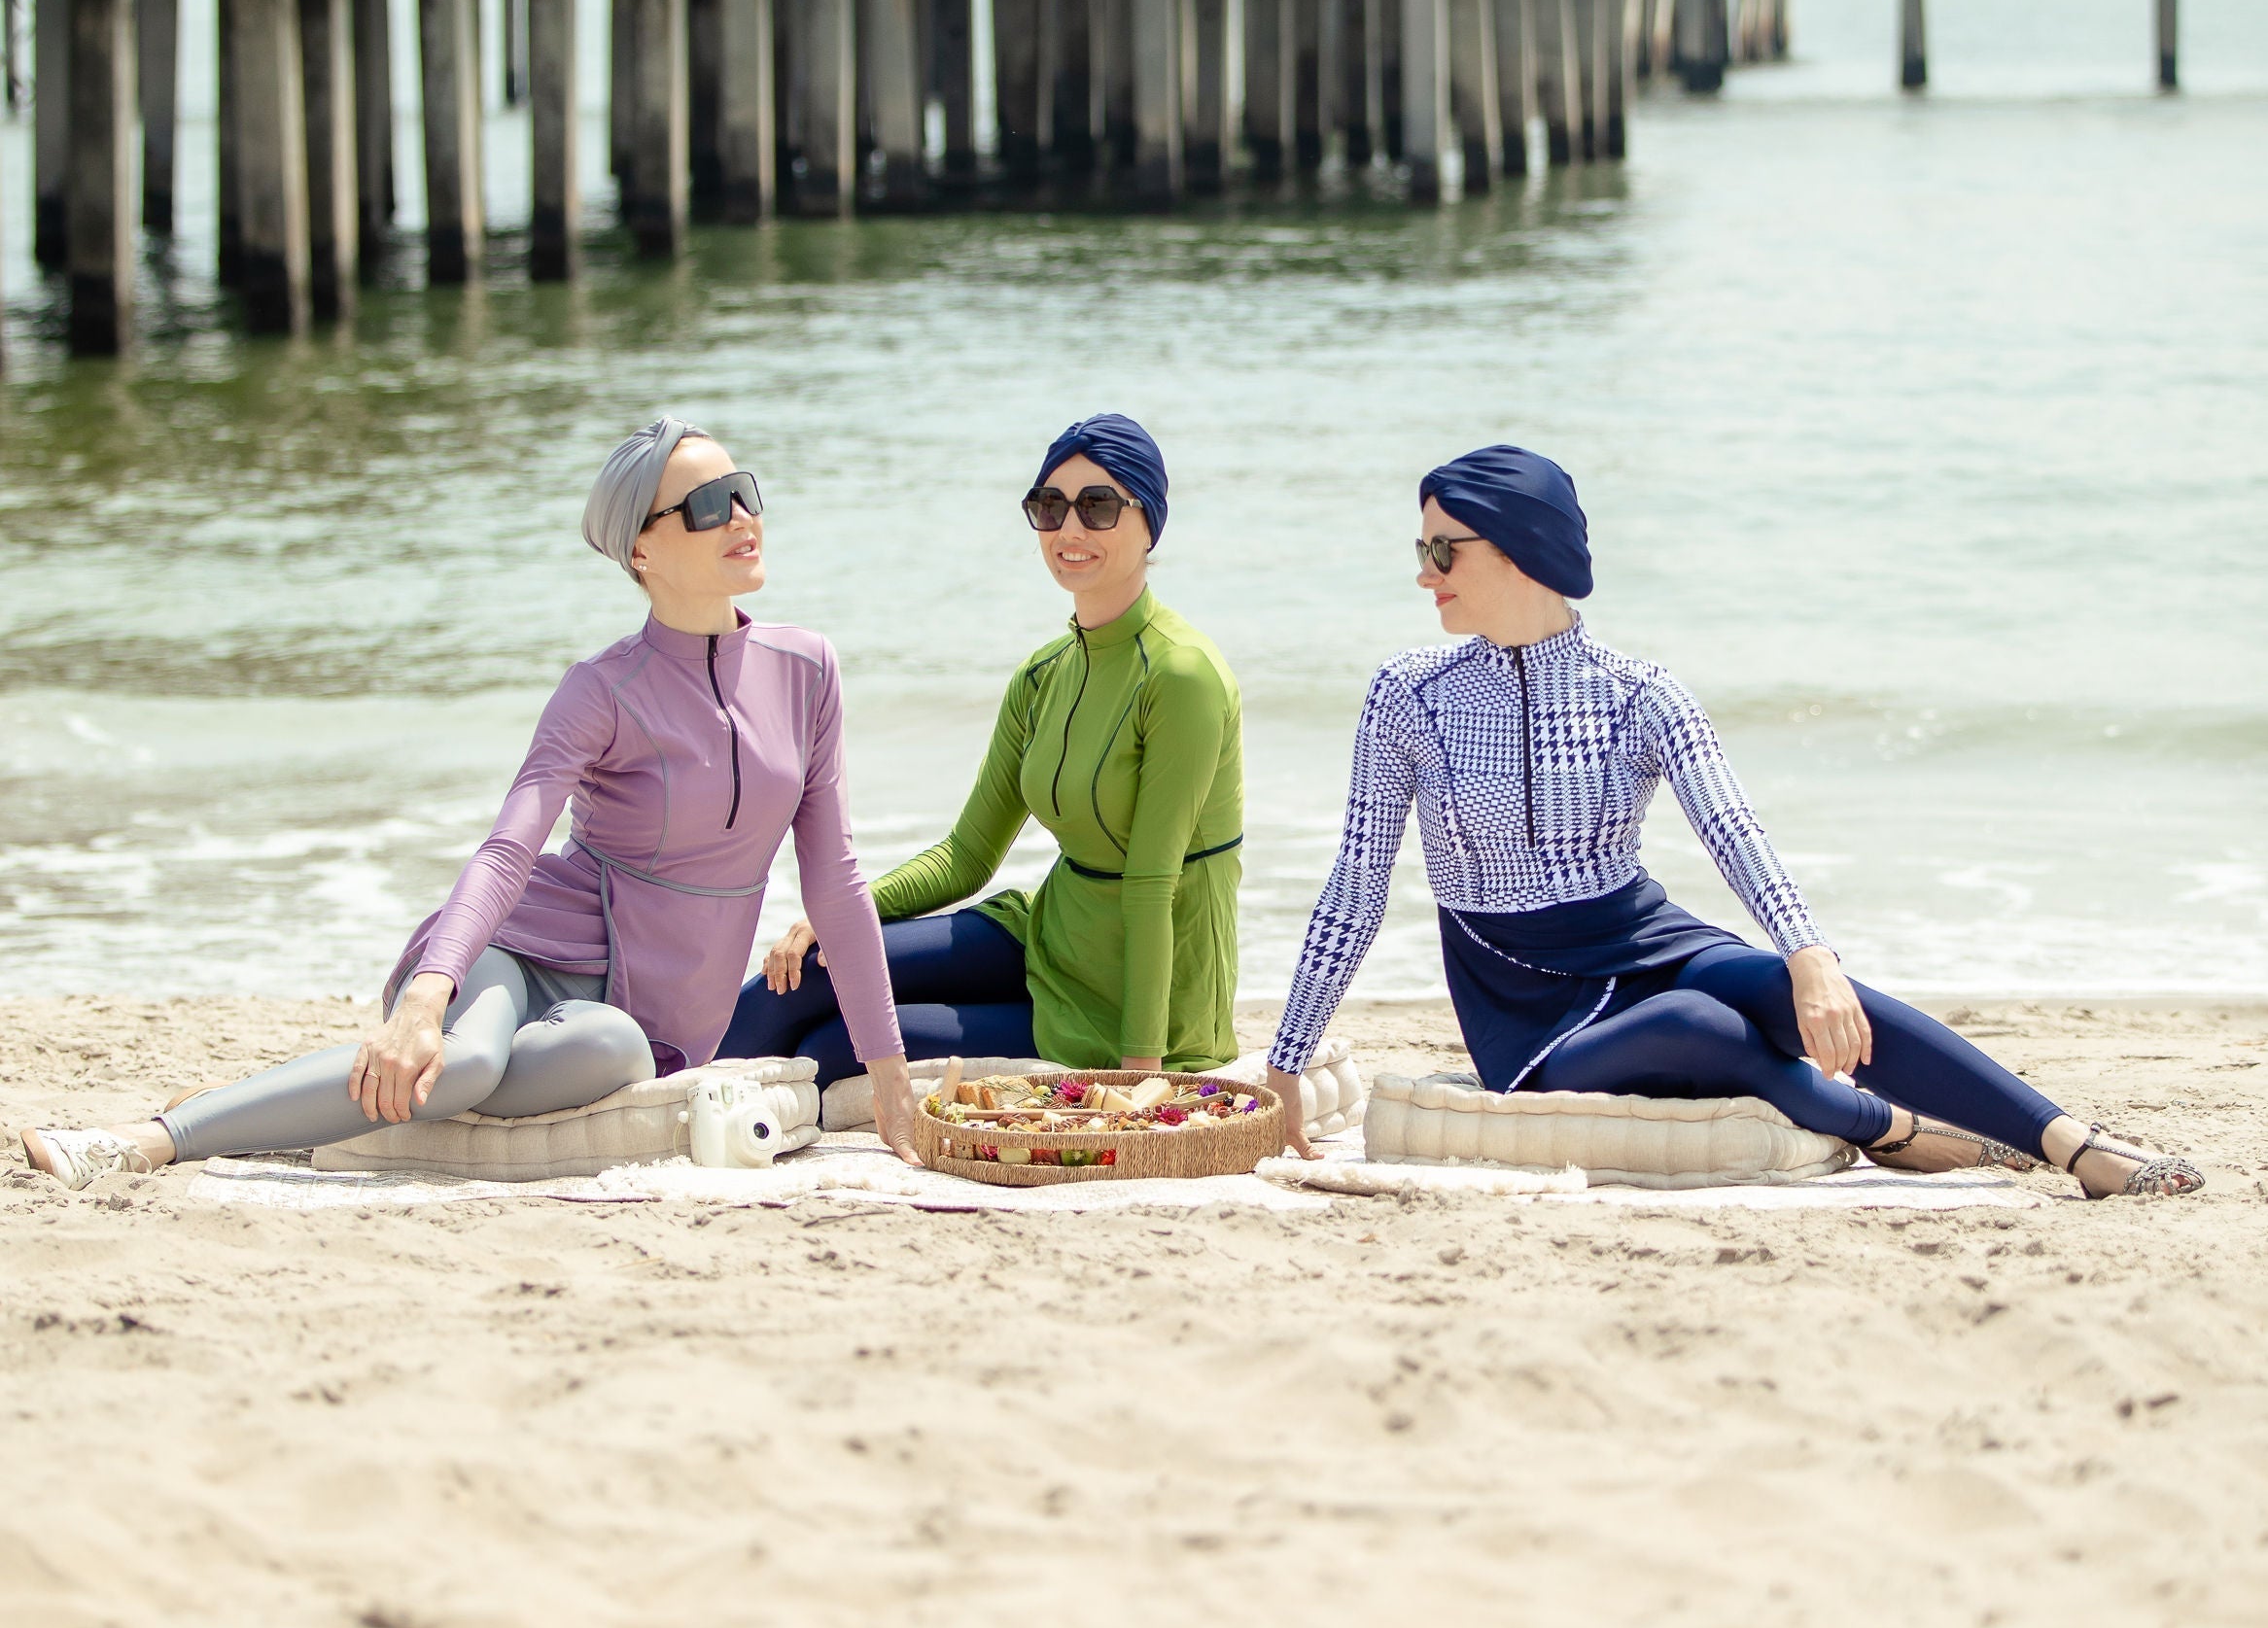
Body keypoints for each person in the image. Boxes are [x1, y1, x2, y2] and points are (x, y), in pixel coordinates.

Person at [1262, 447, 2202, 1202]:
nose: (1423, 575)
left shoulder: (1639, 692)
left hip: (1645, 934)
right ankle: (1887, 1126)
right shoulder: (1408, 696)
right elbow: (1355, 885)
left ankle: (2071, 1144)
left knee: (1790, 989)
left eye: (1441, 552)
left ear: (1518, 550)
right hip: (1524, 993)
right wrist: (1289, 1058)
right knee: (1698, 1026)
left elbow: (1733, 831)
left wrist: (1810, 955)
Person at [22, 418, 919, 1189]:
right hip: (517, 949)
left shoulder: (807, 671)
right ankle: (144, 1142)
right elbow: (509, 848)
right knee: (470, 1056)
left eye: (745, 490)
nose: (744, 519)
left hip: (637, 1016)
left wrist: (887, 1071)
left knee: (612, 1054)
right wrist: (422, 1001)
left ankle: (280, 1095)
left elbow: (833, 878)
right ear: (639, 551)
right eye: (709, 505)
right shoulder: (601, 689)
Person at [725, 413, 1240, 1087]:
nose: (1070, 530)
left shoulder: (1181, 675)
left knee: (830, 1047)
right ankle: (660, 1102)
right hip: (1048, 937)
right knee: (797, 984)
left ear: (1150, 522)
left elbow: (1152, 884)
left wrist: (1138, 1071)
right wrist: (838, 917)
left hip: (1138, 999)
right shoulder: (1043, 673)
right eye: (1049, 508)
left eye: (1098, 506)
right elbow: (966, 856)